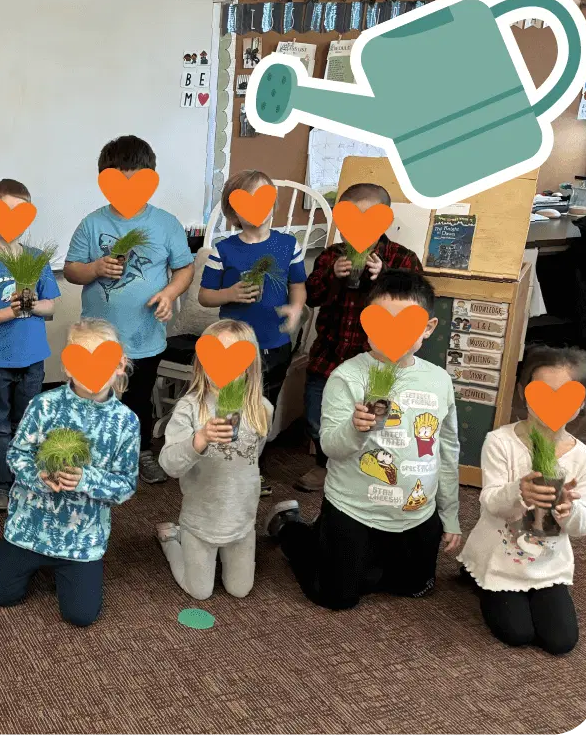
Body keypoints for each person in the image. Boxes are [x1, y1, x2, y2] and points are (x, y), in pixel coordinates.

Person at [264, 270, 462, 611]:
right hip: (354, 509)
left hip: (415, 513)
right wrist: (357, 428)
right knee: (335, 596)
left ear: (427, 328)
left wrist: (451, 514)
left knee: (414, 588)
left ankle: (357, 555)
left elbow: (447, 449)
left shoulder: (439, 380)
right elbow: (330, 446)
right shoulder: (347, 377)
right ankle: (291, 529)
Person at [0, 319, 139, 627]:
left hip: (81, 539)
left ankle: (67, 571)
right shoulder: (43, 406)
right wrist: (38, 477)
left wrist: (86, 479)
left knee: (80, 616)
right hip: (29, 528)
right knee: (0, 595)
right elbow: (16, 454)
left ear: (119, 365)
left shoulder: (126, 422)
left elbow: (125, 486)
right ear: (68, 367)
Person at [63, 136, 195, 485]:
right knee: (93, 398)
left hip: (144, 336)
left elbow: (184, 268)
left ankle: (140, 452)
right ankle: (93, 456)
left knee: (138, 397)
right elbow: (72, 268)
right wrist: (94, 269)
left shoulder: (165, 224)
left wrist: (169, 294)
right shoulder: (92, 224)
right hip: (96, 339)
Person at [457, 346, 586, 655]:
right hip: (501, 559)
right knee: (517, 633)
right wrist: (519, 492)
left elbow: (585, 524)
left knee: (561, 641)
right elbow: (490, 502)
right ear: (524, 393)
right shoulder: (501, 442)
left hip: (548, 565)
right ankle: (474, 571)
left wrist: (568, 510)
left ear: (581, 403)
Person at [296, 182, 422, 493]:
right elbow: (311, 297)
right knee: (317, 415)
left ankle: (365, 467)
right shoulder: (330, 256)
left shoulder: (402, 258)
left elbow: (415, 303)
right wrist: (331, 277)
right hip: (330, 353)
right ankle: (324, 465)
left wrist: (385, 276)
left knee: (377, 419)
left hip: (377, 360)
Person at [198, 169, 307, 496]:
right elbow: (205, 295)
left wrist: (296, 308)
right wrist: (229, 294)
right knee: (228, 404)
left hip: (275, 345)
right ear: (233, 212)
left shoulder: (289, 245)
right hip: (232, 347)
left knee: (263, 409)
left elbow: (298, 286)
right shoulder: (224, 250)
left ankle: (251, 466)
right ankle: (222, 466)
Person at [156, 319, 272, 600]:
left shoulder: (262, 409)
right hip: (200, 521)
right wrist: (200, 440)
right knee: (200, 592)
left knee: (240, 590)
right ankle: (171, 538)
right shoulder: (189, 409)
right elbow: (169, 465)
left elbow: (253, 456)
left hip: (242, 521)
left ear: (249, 364)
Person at [0, 178, 60, 512]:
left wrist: (31, 305)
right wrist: (11, 310)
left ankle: (27, 482)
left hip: (32, 359)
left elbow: (51, 306)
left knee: (28, 425)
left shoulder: (36, 260)